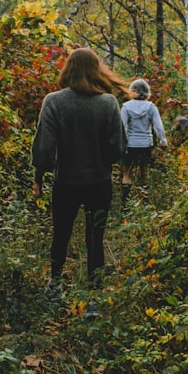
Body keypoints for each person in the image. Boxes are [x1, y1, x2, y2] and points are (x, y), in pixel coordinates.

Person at [32, 48, 127, 298]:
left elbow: (44, 148)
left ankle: (55, 285)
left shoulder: (53, 101)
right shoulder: (108, 102)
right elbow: (117, 149)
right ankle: (94, 296)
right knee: (96, 237)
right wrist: (101, 161)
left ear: (68, 68)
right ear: (96, 70)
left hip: (66, 183)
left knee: (61, 233)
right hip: (99, 182)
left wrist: (39, 178)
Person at [120, 78, 167, 206]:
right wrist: (163, 142)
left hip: (130, 145)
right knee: (143, 173)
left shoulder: (126, 107)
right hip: (146, 144)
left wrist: (121, 144)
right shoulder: (151, 107)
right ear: (147, 92)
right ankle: (144, 202)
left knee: (127, 173)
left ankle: (125, 204)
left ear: (132, 91)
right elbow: (158, 127)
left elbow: (121, 126)